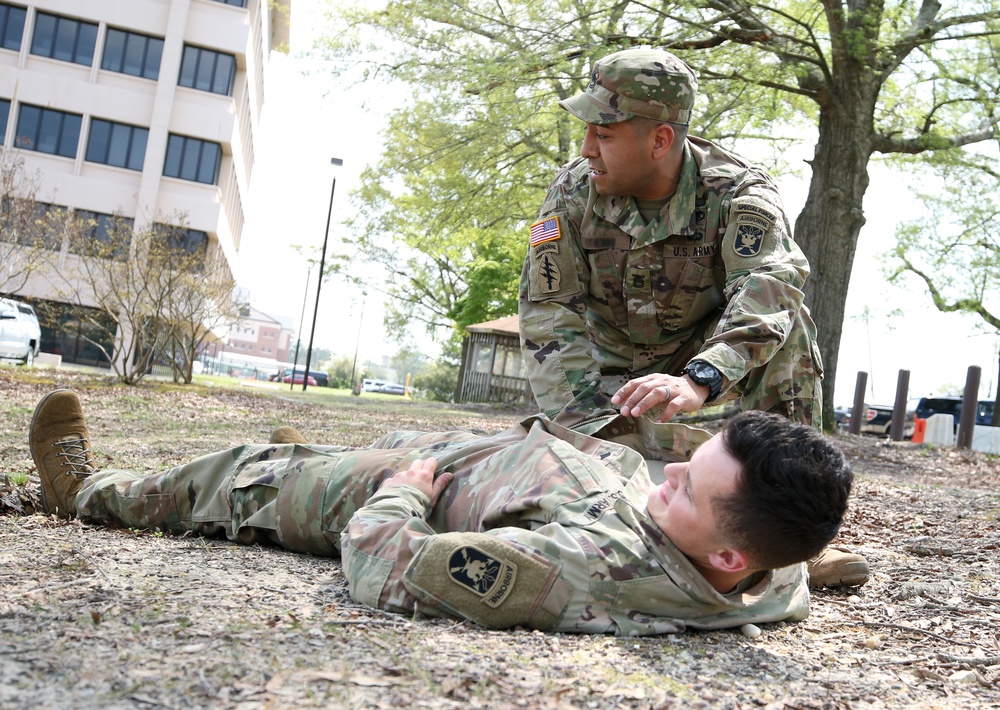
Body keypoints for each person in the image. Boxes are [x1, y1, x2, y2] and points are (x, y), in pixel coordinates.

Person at [30, 388, 853, 636]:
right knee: (333, 451)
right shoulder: (766, 572)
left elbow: (385, 561)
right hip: (497, 454)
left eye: (686, 486)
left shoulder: (571, 574)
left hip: (427, 486)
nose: (669, 472)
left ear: (726, 558)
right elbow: (769, 572)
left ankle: (89, 493)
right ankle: (311, 457)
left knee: (249, 476)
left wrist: (404, 496)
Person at [517, 47, 868, 588]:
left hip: (703, 361)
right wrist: (596, 437)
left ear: (659, 139)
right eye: (588, 132)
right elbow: (549, 313)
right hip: (608, 372)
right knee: (587, 489)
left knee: (790, 323)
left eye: (604, 134)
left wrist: (702, 378)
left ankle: (788, 534)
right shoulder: (572, 191)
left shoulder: (739, 193)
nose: (587, 148)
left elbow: (770, 288)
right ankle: (612, 506)